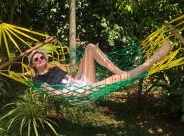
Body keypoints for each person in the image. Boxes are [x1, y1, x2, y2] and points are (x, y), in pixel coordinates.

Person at [28, 40, 172, 96]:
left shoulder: (54, 68)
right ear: (33, 64)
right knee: (116, 79)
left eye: (42, 57)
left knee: (90, 47)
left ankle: (123, 73)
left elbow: (71, 76)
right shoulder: (38, 80)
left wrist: (76, 80)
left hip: (77, 83)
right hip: (75, 92)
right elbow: (54, 92)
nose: (40, 60)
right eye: (36, 59)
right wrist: (75, 93)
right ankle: (155, 58)